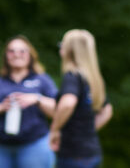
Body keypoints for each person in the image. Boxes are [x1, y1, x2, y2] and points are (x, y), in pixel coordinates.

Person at [0, 35, 57, 168]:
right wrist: (0, 107)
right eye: (11, 51)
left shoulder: (42, 80)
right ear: (6, 56)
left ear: (30, 55)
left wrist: (37, 99)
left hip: (34, 145)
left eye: (22, 51)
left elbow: (57, 111)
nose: (17, 55)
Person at [49, 29, 113, 168]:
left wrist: (54, 129)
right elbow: (107, 110)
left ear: (69, 50)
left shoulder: (72, 76)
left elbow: (68, 103)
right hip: (92, 152)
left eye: (62, 45)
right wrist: (87, 130)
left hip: (73, 154)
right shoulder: (93, 79)